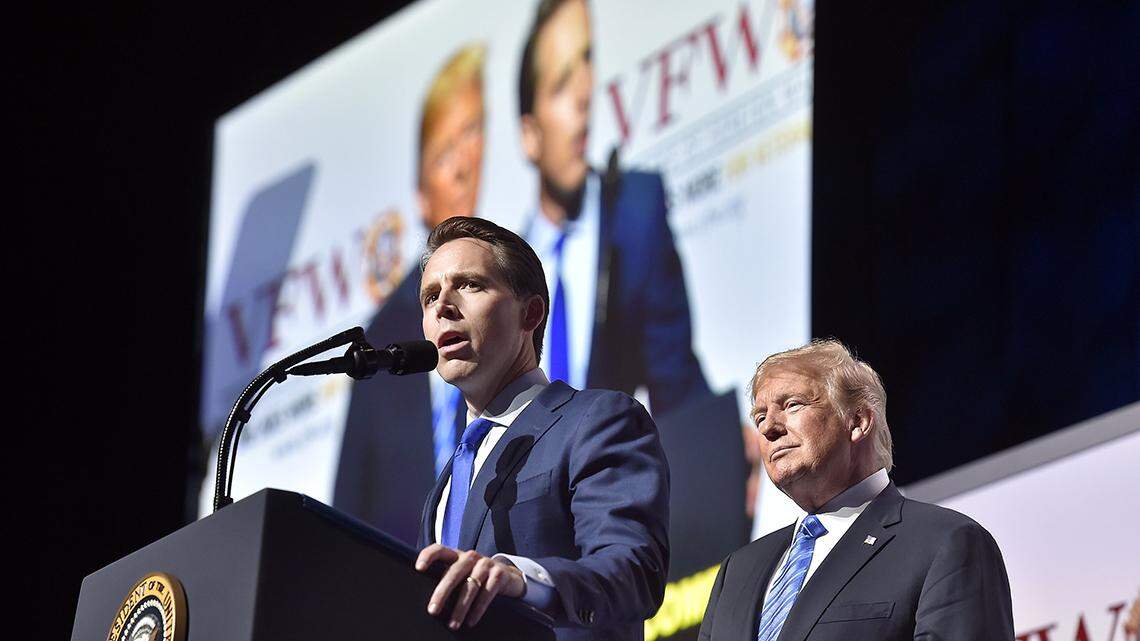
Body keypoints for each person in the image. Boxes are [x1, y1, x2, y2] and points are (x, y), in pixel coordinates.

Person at [413, 216, 669, 641]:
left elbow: (632, 572)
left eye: (470, 285)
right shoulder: (443, 487)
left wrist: (521, 579)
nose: (443, 307)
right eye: (430, 296)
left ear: (530, 313)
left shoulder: (597, 420)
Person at [699, 339, 1014, 641]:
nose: (768, 428)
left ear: (858, 421)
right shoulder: (737, 572)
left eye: (792, 405)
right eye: (760, 416)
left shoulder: (945, 543)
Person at [516, 0, 709, 415]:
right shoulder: (507, 268)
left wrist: (718, 441)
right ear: (529, 136)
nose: (584, 94)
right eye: (561, 83)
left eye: (586, 63)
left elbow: (676, 383)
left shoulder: (635, 212)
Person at [334, 43, 486, 545]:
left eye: (472, 134)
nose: (464, 163)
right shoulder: (380, 339)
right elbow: (349, 510)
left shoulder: (517, 292)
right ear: (420, 195)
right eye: (445, 153)